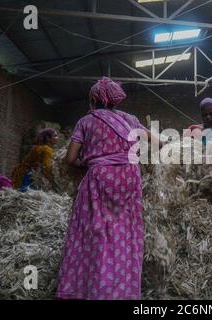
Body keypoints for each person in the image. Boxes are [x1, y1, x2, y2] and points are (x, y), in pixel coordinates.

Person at [56, 77, 150, 300]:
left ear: (92, 100)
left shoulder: (86, 121)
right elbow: (155, 140)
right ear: (114, 100)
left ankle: (89, 287)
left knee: (95, 230)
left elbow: (70, 158)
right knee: (125, 232)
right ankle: (123, 290)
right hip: (129, 177)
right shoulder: (130, 120)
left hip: (101, 178)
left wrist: (88, 163)